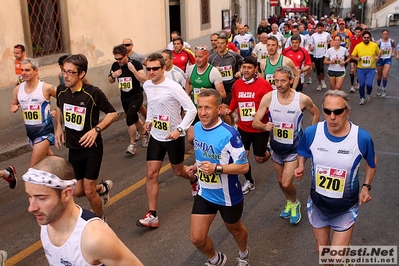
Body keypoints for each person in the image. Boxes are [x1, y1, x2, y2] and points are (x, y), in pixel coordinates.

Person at [294, 90, 377, 261]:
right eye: (327, 111)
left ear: (347, 111)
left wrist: (366, 186)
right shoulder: (312, 133)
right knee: (323, 254)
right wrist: (301, 165)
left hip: (345, 207)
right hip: (318, 204)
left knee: (336, 256)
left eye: (338, 112)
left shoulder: (361, 138)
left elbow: (372, 161)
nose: (332, 116)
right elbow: (302, 150)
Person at [23, 156, 144, 266]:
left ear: (66, 194)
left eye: (41, 198)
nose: (31, 208)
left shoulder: (94, 238)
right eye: (29, 196)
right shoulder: (46, 223)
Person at [186, 89, 250, 266]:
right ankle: (216, 259)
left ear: (219, 109)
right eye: (200, 107)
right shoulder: (197, 128)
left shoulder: (230, 134)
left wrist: (216, 168)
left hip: (228, 196)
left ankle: (244, 254)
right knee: (196, 238)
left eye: (208, 107)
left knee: (235, 229)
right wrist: (195, 166)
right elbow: (204, 156)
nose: (203, 112)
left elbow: (244, 166)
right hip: (205, 192)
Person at [252, 66, 320, 225]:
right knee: (279, 181)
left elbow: (316, 113)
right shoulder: (269, 97)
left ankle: (295, 203)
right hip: (276, 148)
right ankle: (289, 201)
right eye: (276, 80)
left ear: (291, 80)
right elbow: (255, 121)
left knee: (286, 182)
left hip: (294, 149)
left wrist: (311, 133)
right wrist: (263, 126)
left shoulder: (301, 99)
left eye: (283, 80)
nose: (279, 84)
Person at [137, 53, 197, 228]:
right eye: (148, 68)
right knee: (151, 174)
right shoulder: (147, 85)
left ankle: (193, 179)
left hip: (173, 136)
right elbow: (152, 105)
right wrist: (148, 120)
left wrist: (179, 130)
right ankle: (152, 215)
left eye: (155, 68)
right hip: (157, 134)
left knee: (178, 171)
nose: (151, 72)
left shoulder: (173, 87)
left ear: (163, 68)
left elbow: (191, 110)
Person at [55, 54, 117, 219]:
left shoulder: (93, 93)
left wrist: (96, 129)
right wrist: (58, 128)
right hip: (74, 148)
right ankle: (102, 188)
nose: (65, 76)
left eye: (70, 72)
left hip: (92, 148)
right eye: (63, 71)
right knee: (78, 191)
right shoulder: (61, 90)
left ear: (81, 74)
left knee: (88, 191)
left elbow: (112, 113)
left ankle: (101, 221)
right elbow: (59, 108)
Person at [226, 56, 273, 194]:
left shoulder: (264, 85)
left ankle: (270, 150)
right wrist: (230, 108)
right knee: (242, 156)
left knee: (259, 159)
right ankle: (249, 181)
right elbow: (235, 98)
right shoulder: (238, 84)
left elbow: (272, 104)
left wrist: (260, 113)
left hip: (259, 128)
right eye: (244, 67)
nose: (246, 70)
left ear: (256, 69)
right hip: (243, 128)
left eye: (249, 67)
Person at [10, 58, 57, 167]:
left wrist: (56, 110)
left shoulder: (46, 88)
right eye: (22, 70)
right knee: (51, 161)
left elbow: (64, 98)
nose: (23, 73)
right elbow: (13, 103)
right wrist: (13, 107)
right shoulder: (18, 89)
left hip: (44, 133)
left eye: (27, 70)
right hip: (31, 134)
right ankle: (68, 176)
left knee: (34, 168)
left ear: (36, 71)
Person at [108, 44, 149, 154]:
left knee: (130, 117)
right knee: (134, 118)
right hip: (124, 97)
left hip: (136, 95)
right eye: (116, 59)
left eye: (120, 59)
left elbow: (144, 79)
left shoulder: (135, 64)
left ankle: (132, 144)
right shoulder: (115, 66)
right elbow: (110, 80)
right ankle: (144, 133)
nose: (118, 61)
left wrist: (134, 71)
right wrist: (113, 76)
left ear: (126, 55)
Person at [185, 45, 225, 144]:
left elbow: (222, 94)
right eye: (196, 56)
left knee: (210, 138)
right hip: (195, 108)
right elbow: (189, 82)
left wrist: (208, 91)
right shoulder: (191, 69)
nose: (197, 59)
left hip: (208, 110)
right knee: (191, 138)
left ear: (207, 57)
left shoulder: (213, 72)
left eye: (200, 57)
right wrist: (186, 96)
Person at [209, 31, 244, 126]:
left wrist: (240, 72)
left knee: (224, 111)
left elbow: (243, 63)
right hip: (218, 88)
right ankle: (232, 124)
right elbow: (208, 71)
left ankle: (230, 128)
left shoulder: (233, 55)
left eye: (222, 43)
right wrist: (213, 70)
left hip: (229, 87)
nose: (219, 45)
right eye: (218, 43)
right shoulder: (212, 58)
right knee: (225, 112)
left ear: (226, 44)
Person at [351, 31, 381, 105]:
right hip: (361, 68)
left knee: (369, 84)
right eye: (365, 37)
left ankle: (368, 94)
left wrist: (377, 57)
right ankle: (362, 98)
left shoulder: (374, 45)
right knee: (361, 84)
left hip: (371, 69)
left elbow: (379, 52)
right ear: (362, 38)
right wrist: (357, 59)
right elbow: (352, 55)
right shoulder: (358, 46)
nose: (366, 39)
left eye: (368, 38)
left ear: (370, 38)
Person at [310, 22, 332, 91]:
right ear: (316, 28)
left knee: (321, 67)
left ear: (323, 28)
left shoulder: (326, 34)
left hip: (324, 54)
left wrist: (328, 48)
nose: (320, 29)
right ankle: (319, 83)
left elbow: (330, 41)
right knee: (317, 70)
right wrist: (311, 48)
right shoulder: (313, 36)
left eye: (321, 28)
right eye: (318, 28)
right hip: (316, 54)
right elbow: (310, 45)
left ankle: (323, 80)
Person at [375, 29, 396, 97]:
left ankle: (384, 88)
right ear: (382, 34)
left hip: (387, 59)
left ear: (388, 34)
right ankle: (378, 87)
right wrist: (377, 55)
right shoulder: (378, 42)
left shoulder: (391, 41)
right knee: (379, 76)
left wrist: (393, 52)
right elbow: (375, 50)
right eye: (384, 34)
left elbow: (394, 47)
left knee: (385, 76)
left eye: (386, 34)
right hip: (380, 59)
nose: (385, 36)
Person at [348, 26, 363, 92]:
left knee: (358, 70)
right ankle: (352, 86)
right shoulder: (352, 37)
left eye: (358, 32)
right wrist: (348, 53)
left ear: (361, 32)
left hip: (360, 57)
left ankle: (358, 82)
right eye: (356, 32)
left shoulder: (363, 38)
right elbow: (349, 45)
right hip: (352, 56)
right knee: (352, 70)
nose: (357, 33)